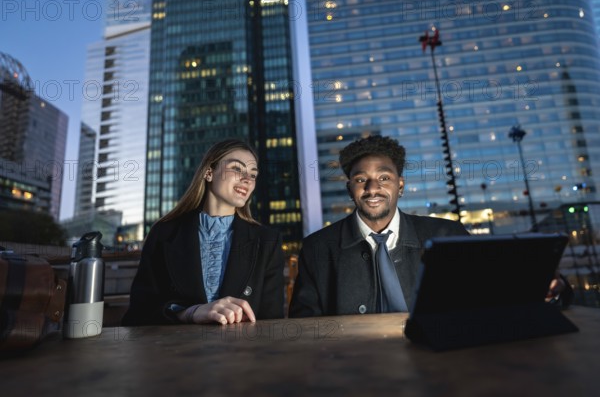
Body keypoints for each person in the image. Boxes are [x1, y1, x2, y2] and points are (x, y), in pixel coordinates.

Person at [289, 135, 570, 317]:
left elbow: (490, 296)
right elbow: (305, 328)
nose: (373, 188)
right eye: (361, 180)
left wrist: (543, 287)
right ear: (350, 189)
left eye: (384, 178)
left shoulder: (448, 234)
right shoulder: (317, 248)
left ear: (401, 185)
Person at [122, 139, 284, 326]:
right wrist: (189, 313)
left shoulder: (267, 242)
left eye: (253, 175)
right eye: (237, 169)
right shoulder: (164, 233)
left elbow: (272, 323)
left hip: (243, 351)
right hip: (174, 350)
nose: (247, 179)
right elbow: (139, 313)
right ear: (209, 173)